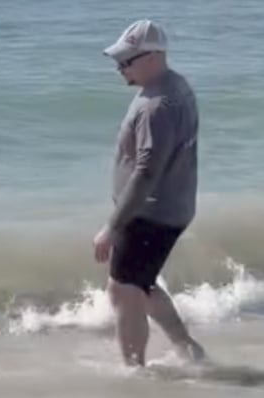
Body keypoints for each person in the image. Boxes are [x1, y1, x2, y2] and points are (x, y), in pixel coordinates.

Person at [93, 19, 206, 367]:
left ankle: (134, 371)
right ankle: (186, 347)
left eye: (126, 61)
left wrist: (112, 226)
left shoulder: (156, 105)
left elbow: (146, 172)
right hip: (171, 208)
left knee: (123, 290)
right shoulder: (177, 87)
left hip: (150, 214)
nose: (119, 68)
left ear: (153, 57)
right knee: (140, 284)